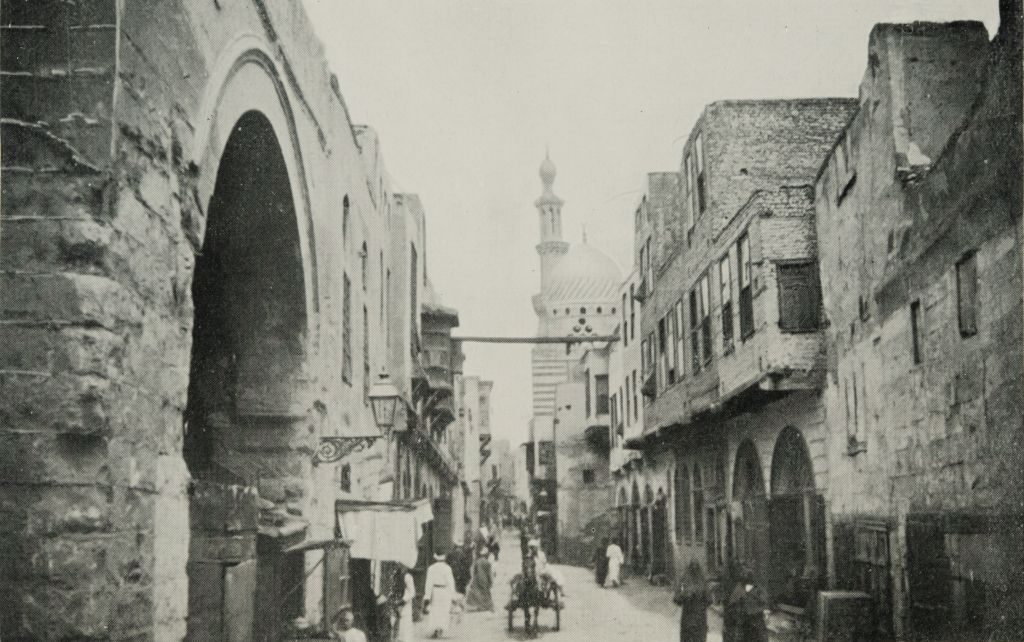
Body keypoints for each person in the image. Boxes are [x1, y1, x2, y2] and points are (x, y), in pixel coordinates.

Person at [727, 566, 770, 642]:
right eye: (746, 574)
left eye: (749, 575)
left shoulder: (758, 589)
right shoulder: (739, 589)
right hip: (744, 623)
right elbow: (732, 604)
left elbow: (765, 603)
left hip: (756, 622)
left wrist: (763, 612)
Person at [674, 561, 711, 642]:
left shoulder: (700, 580)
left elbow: (709, 599)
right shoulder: (686, 581)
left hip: (696, 619)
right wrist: (686, 596)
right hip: (692, 619)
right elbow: (677, 597)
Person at [424, 552, 456, 638]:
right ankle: (441, 629)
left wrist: (427, 596)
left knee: (435, 611)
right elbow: (451, 582)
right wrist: (453, 595)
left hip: (436, 591)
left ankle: (436, 629)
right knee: (444, 611)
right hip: (445, 591)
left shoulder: (431, 568)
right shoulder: (447, 568)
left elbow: (428, 583)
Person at [465, 547, 495, 611]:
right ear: (486, 555)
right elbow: (489, 573)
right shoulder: (487, 563)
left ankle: (480, 605)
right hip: (484, 579)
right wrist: (491, 581)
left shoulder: (477, 562)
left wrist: (473, 580)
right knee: (486, 593)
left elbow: (474, 571)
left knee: (478, 593)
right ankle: (487, 606)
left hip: (477, 579)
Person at [393, 565, 416, 642]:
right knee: (396, 624)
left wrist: (402, 601)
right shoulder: (395, 575)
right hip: (396, 602)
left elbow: (412, 592)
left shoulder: (408, 576)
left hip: (405, 603)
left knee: (405, 625)